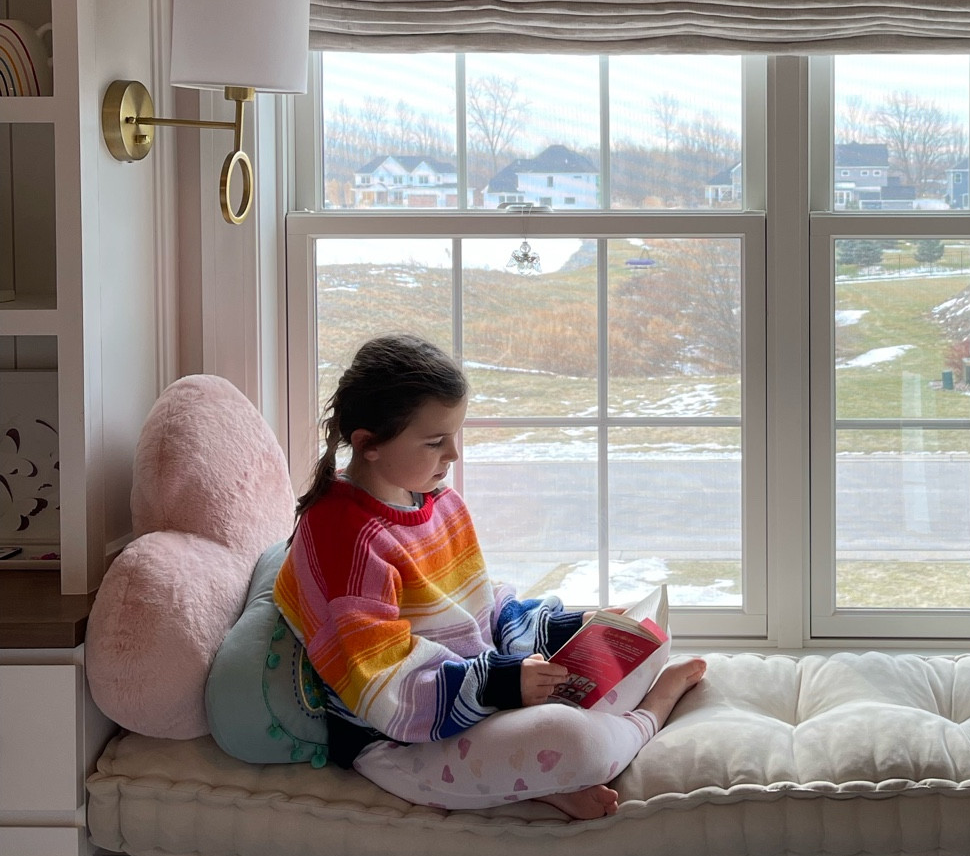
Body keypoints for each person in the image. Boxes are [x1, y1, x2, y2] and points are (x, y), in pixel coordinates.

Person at [274, 333, 705, 819]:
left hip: (479, 699)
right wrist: (501, 685)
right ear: (368, 444)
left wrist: (577, 625)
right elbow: (382, 684)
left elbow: (483, 611)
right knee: (575, 743)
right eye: (436, 442)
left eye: (455, 436)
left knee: (646, 641)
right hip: (399, 739)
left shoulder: (441, 503)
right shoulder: (338, 533)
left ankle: (531, 781)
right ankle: (649, 715)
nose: (454, 455)